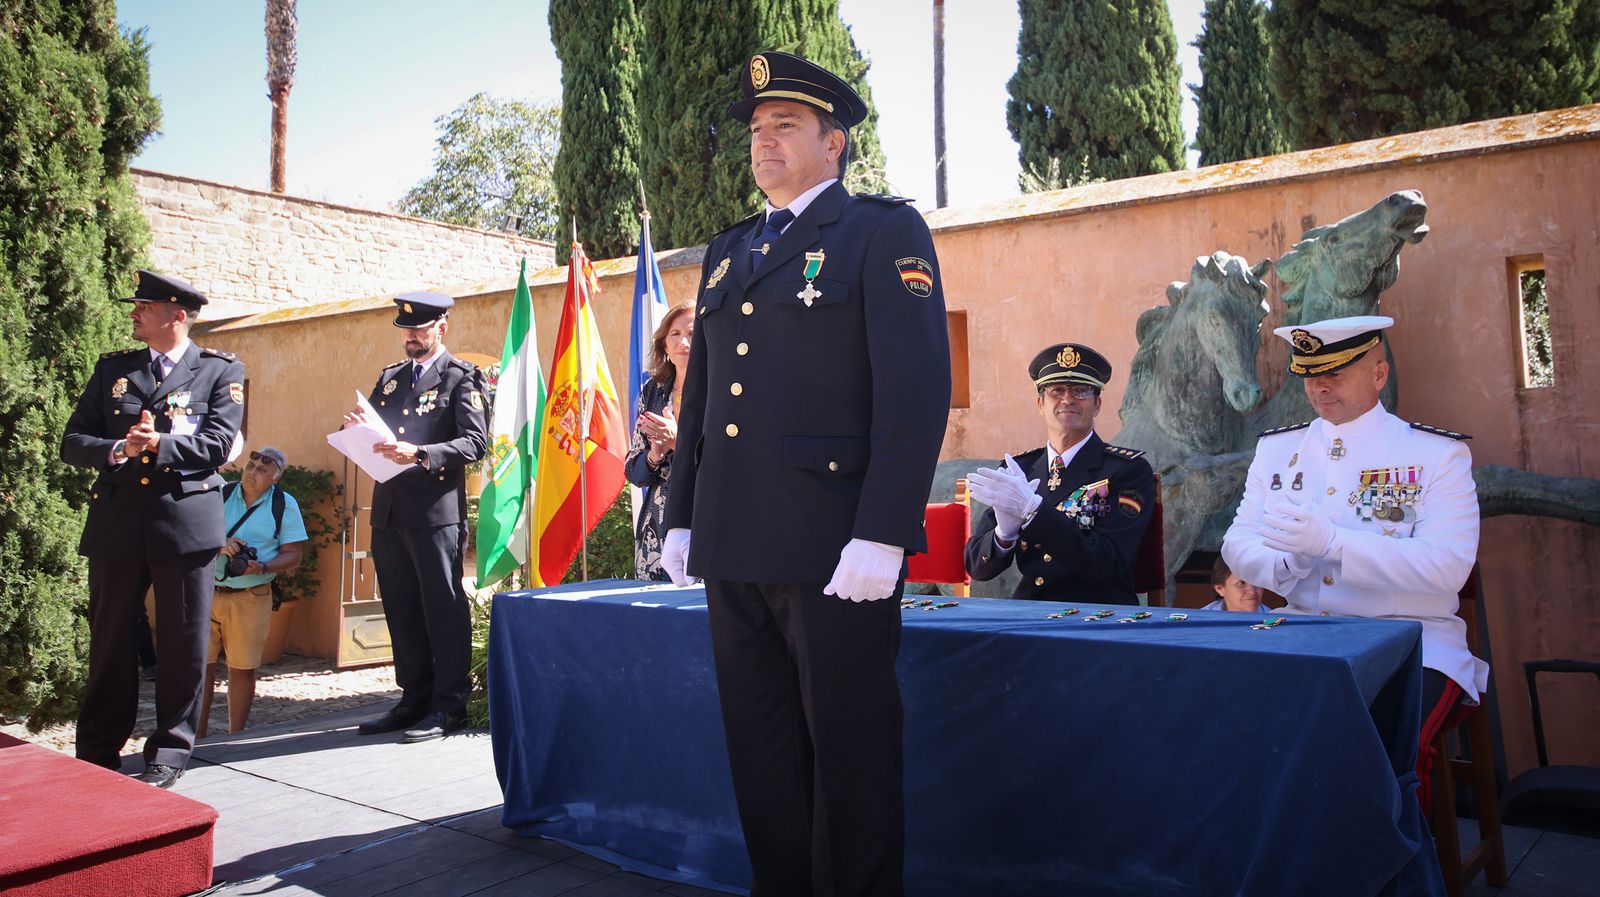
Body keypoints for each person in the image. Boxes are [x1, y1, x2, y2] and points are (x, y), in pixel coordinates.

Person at [659, 51, 951, 897]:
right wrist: (683, 513)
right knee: (761, 756)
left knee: (850, 759)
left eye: (785, 125)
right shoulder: (727, 250)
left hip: (835, 547)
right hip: (733, 540)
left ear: (836, 141)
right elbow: (701, 398)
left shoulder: (879, 233)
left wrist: (883, 529)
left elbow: (915, 392)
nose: (765, 142)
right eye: (757, 129)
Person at [1221, 315, 1485, 807]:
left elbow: (1448, 566)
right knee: (1231, 723)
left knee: (1371, 752)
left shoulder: (1434, 455)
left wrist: (1336, 544)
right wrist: (1281, 568)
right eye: (1310, 374)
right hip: (1302, 629)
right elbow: (1237, 542)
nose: (1319, 387)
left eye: (1335, 373)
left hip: (1411, 639)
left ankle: (1388, 874)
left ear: (1379, 375)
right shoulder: (1279, 451)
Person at [61, 270, 245, 788]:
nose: (134, 312)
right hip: (118, 524)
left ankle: (170, 749)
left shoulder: (218, 371)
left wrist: (158, 445)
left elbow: (217, 444)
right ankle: (97, 746)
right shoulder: (114, 370)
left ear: (177, 314)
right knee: (111, 639)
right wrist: (120, 448)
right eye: (136, 304)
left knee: (184, 642)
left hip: (185, 525)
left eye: (145, 305)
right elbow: (74, 441)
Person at [344, 292, 488, 743]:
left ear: (440, 328)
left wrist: (421, 453)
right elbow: (375, 431)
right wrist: (357, 430)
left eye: (418, 329)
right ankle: (413, 698)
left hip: (434, 513)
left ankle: (449, 705)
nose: (409, 336)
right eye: (405, 330)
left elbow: (475, 443)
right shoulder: (389, 379)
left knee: (442, 607)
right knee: (401, 607)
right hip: (389, 509)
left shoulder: (462, 378)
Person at [964, 343, 1155, 604]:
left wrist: (1034, 511)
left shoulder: (1127, 470)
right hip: (1032, 610)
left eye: (1081, 391)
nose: (1068, 399)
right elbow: (977, 567)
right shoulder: (1020, 469)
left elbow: (1111, 564)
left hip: (1099, 614)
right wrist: (1004, 535)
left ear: (1097, 404)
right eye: (1057, 391)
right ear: (1040, 403)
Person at [197, 445, 307, 738]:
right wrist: (219, 540)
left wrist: (261, 567)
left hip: (250, 596)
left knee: (242, 668)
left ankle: (236, 737)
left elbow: (293, 555)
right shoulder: (220, 493)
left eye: (262, 469)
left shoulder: (284, 504)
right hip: (207, 591)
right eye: (250, 465)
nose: (253, 472)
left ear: (275, 477)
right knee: (201, 667)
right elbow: (194, 530)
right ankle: (196, 737)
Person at [623, 304, 695, 580]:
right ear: (664, 344)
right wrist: (654, 453)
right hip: (657, 523)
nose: (683, 341)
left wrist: (676, 441)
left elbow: (731, 460)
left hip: (707, 516)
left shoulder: (723, 386)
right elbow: (633, 470)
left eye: (692, 332)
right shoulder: (653, 391)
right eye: (675, 334)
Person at [1201, 555, 1268, 613]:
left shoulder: (1274, 621)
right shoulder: (1200, 623)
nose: (1252, 592)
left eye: (1256, 581)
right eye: (1241, 583)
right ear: (1220, 589)